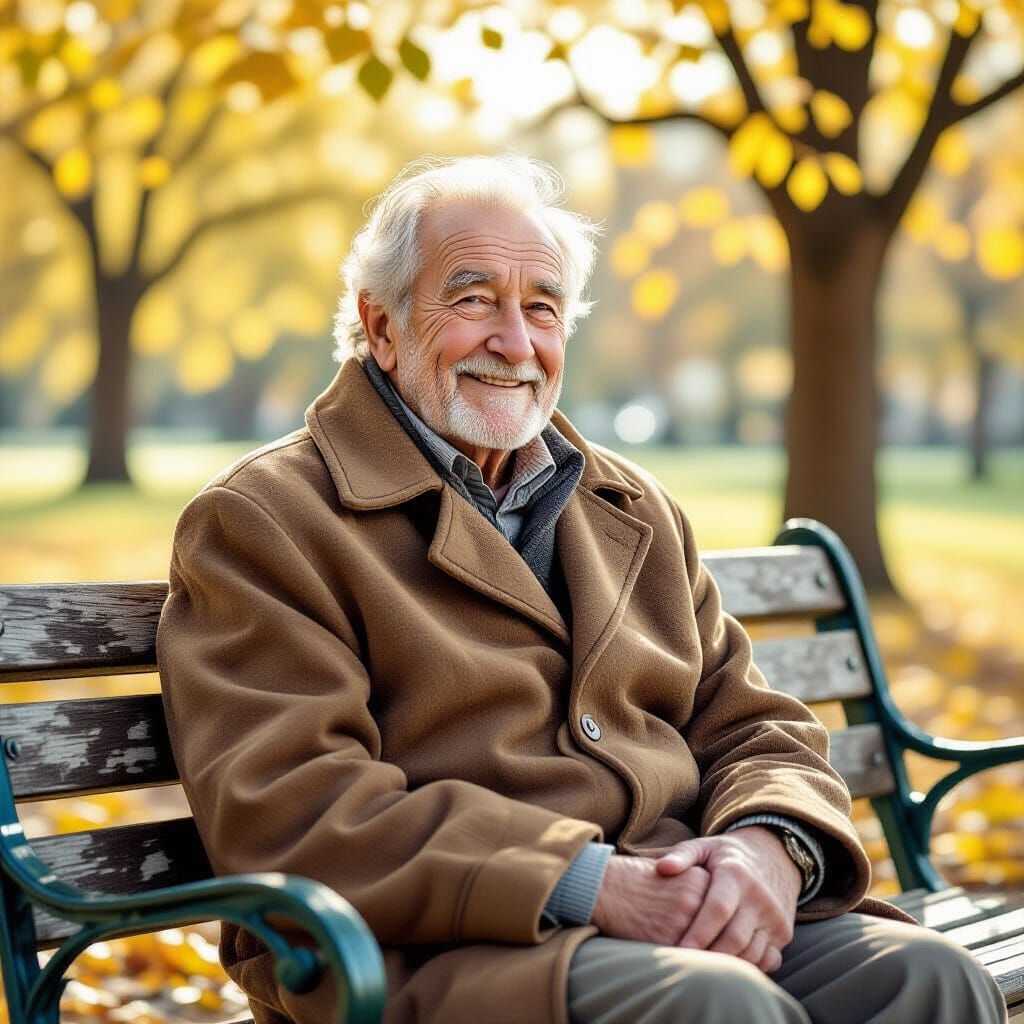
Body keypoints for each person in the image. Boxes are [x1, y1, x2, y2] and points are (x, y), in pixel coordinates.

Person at [156, 153, 1004, 1024]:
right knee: (717, 1008)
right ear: (382, 326)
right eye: (474, 300)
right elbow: (295, 807)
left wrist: (766, 848)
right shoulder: (265, 518)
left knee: (930, 978)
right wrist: (589, 882)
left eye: (542, 308)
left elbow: (756, 726)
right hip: (430, 948)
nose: (515, 342)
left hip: (676, 903)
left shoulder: (632, 506)